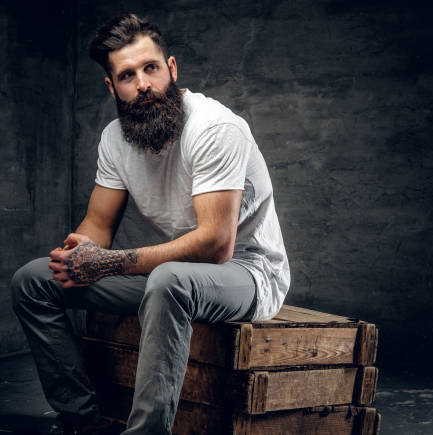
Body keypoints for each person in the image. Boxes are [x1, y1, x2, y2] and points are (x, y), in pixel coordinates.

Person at [10, 13, 290, 435]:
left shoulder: (214, 127)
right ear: (112, 86)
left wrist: (107, 263)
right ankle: (82, 421)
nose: (142, 84)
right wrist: (79, 251)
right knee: (33, 280)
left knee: (168, 281)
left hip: (248, 272)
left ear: (171, 69)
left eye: (151, 68)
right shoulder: (114, 139)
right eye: (127, 75)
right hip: (177, 273)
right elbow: (99, 225)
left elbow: (216, 244)